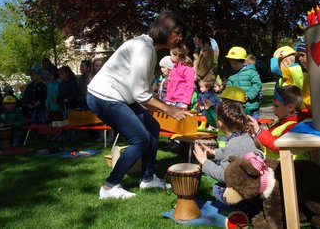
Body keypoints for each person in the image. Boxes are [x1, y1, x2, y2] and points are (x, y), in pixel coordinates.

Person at [87, 11, 191, 199]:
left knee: (152, 126)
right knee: (140, 139)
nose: (180, 37)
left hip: (120, 97)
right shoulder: (144, 47)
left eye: (181, 33)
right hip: (104, 96)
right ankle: (110, 187)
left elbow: (141, 91)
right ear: (164, 29)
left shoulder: (147, 46)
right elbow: (141, 94)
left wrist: (164, 106)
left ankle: (148, 179)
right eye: (177, 32)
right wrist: (170, 110)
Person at [193, 100, 262, 200]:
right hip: (253, 182)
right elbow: (231, 152)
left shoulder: (234, 143)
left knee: (218, 188)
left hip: (246, 191)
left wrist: (204, 162)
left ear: (220, 123)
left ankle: (238, 207)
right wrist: (214, 152)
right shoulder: (244, 136)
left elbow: (223, 175)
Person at [248, 85, 311, 159]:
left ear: (290, 107)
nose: (273, 108)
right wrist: (254, 134)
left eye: (276, 106)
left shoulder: (295, 125)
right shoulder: (281, 121)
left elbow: (280, 145)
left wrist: (259, 131)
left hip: (292, 167)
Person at [225, 46, 262, 119]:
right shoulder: (231, 76)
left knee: (253, 126)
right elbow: (229, 89)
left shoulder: (251, 72)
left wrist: (248, 95)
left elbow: (257, 85)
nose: (233, 66)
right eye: (231, 63)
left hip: (251, 106)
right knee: (241, 126)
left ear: (243, 61)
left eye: (235, 63)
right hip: (238, 107)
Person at [165, 44, 195, 110]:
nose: (170, 57)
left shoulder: (188, 69)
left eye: (171, 55)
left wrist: (185, 102)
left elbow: (190, 86)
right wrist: (168, 99)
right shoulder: (174, 68)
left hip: (181, 102)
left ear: (177, 56)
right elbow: (170, 85)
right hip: (171, 101)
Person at [296, 43, 311, 110]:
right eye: (298, 56)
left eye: (302, 55)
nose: (300, 59)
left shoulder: (318, 76)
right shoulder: (306, 75)